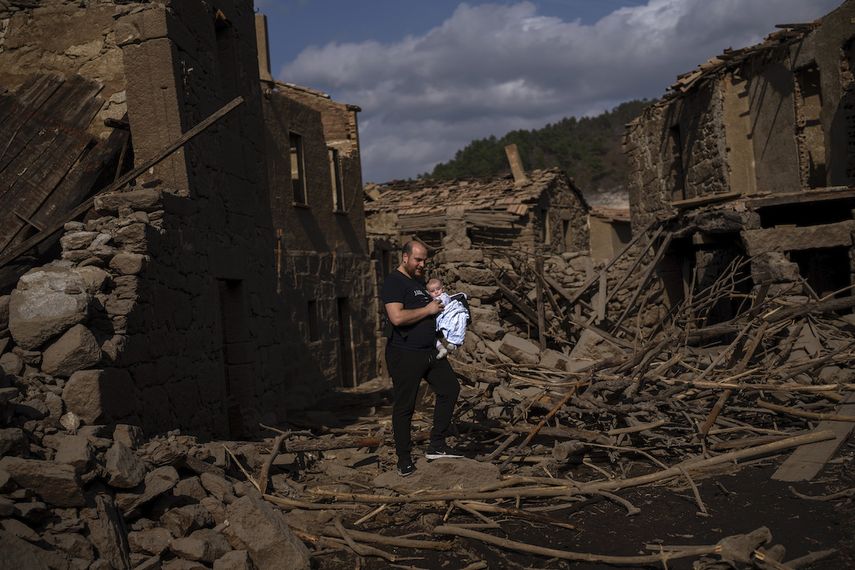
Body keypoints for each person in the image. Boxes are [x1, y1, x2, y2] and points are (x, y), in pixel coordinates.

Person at [381, 241, 463, 477]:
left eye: (425, 260)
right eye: (418, 260)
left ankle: (436, 444)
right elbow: (397, 318)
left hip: (429, 351)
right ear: (405, 257)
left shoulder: (419, 283)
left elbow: (429, 314)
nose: (422, 264)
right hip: (405, 352)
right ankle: (404, 459)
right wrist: (428, 310)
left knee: (450, 389)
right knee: (405, 405)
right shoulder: (394, 281)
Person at [426, 278, 469, 359]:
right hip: (440, 315)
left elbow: (442, 303)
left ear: (442, 289)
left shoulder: (443, 296)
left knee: (454, 323)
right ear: (429, 293)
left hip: (448, 312)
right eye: (432, 291)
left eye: (438, 289)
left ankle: (453, 342)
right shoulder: (431, 299)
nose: (436, 292)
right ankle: (444, 347)